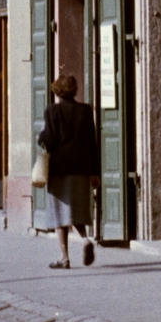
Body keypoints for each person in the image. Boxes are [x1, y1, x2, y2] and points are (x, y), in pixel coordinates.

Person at [37, 74, 99, 269]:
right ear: (74, 90)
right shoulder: (86, 110)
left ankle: (64, 257)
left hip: (59, 169)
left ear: (57, 90)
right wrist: (95, 172)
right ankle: (85, 239)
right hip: (81, 169)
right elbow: (92, 143)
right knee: (76, 211)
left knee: (59, 213)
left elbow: (50, 140)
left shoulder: (52, 110)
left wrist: (41, 137)